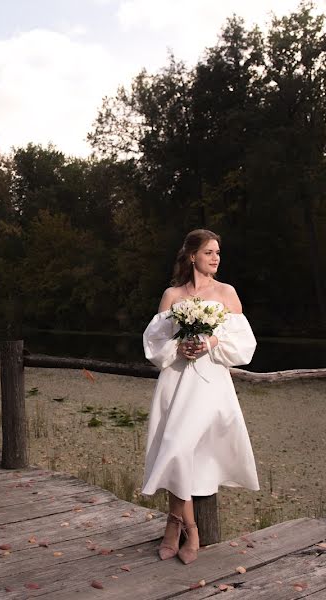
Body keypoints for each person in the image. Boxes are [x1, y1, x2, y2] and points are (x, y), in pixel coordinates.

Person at [140, 229, 259, 564]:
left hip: (210, 384)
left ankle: (175, 525)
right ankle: (187, 528)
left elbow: (245, 343)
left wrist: (211, 342)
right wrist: (180, 345)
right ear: (192, 255)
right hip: (177, 382)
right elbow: (153, 345)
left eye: (218, 253)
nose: (216, 258)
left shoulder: (226, 292)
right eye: (209, 252)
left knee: (183, 450)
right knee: (178, 451)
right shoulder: (172, 295)